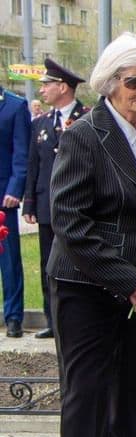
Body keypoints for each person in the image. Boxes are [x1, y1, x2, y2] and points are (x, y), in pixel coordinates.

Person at [47, 32, 136, 437]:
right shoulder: (84, 135)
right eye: (135, 82)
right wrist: (126, 278)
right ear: (110, 83)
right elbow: (70, 221)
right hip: (86, 286)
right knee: (87, 397)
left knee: (131, 394)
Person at [23, 58, 88, 340]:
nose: (42, 91)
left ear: (63, 87)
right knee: (49, 265)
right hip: (47, 205)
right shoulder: (41, 123)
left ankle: (79, 319)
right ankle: (53, 319)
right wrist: (29, 203)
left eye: (46, 85)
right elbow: (33, 165)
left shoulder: (87, 118)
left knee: (78, 263)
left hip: (78, 207)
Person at [0, 85, 29, 338]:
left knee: (8, 261)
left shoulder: (15, 106)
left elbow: (22, 153)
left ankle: (13, 317)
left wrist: (15, 188)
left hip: (3, 197)